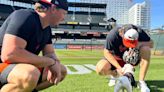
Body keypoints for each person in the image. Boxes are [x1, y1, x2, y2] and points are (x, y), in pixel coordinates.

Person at [0, 0, 68, 92]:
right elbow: (10, 55)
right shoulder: (24, 17)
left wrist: (55, 62)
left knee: (61, 70)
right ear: (53, 9)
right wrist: (51, 62)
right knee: (29, 74)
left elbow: (50, 53)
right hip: (3, 63)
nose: (64, 18)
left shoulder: (46, 28)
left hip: (11, 67)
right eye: (64, 13)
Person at [96, 24, 153, 92]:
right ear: (121, 34)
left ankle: (141, 82)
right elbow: (106, 52)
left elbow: (151, 43)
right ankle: (114, 74)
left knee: (146, 49)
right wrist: (119, 68)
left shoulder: (140, 32)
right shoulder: (113, 35)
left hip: (132, 57)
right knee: (100, 68)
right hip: (117, 57)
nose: (129, 45)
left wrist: (138, 45)